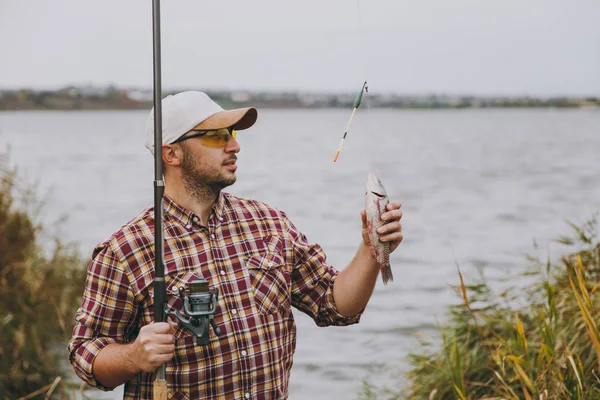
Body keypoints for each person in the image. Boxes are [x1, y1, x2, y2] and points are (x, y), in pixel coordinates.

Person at [68, 91, 404, 399]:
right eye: (216, 136)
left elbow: (335, 305)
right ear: (171, 153)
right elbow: (85, 353)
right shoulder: (126, 249)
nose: (234, 146)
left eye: (233, 134)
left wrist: (370, 248)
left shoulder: (269, 223)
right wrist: (133, 356)